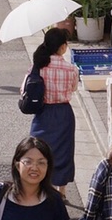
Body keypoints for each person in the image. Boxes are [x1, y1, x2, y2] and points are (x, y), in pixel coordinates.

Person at [26, 29, 80, 193]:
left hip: (43, 112)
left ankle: (40, 186)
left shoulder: (38, 66)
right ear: (63, 47)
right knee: (63, 151)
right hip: (64, 113)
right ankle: (61, 190)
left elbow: (27, 87)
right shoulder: (71, 69)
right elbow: (74, 88)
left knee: (38, 149)